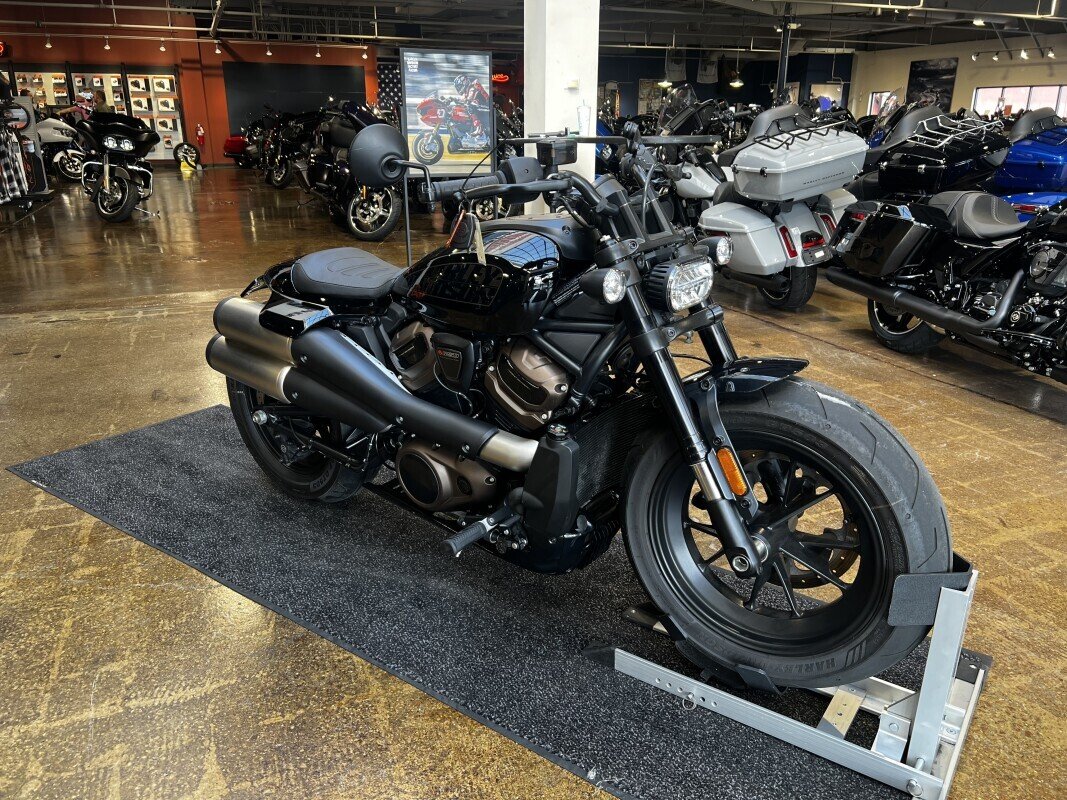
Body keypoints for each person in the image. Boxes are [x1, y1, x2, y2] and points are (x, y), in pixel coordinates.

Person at [453, 74, 490, 146]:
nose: (458, 89)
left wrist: (460, 100)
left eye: (459, 86)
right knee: (466, 107)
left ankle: (479, 128)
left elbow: (469, 99)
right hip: (482, 108)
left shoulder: (473, 87)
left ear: (464, 83)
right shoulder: (467, 90)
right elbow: (462, 99)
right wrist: (452, 99)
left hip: (486, 106)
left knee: (470, 106)